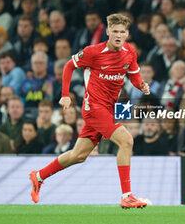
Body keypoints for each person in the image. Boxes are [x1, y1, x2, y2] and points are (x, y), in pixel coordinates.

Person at [29, 14, 150, 208]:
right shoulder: (93, 52)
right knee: (127, 140)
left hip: (109, 109)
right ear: (108, 32)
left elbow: (134, 75)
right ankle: (127, 195)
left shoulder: (130, 52)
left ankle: (38, 176)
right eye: (115, 31)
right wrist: (65, 94)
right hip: (93, 108)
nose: (118, 35)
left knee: (79, 155)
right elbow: (69, 66)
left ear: (127, 34)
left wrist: (141, 85)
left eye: (122, 32)